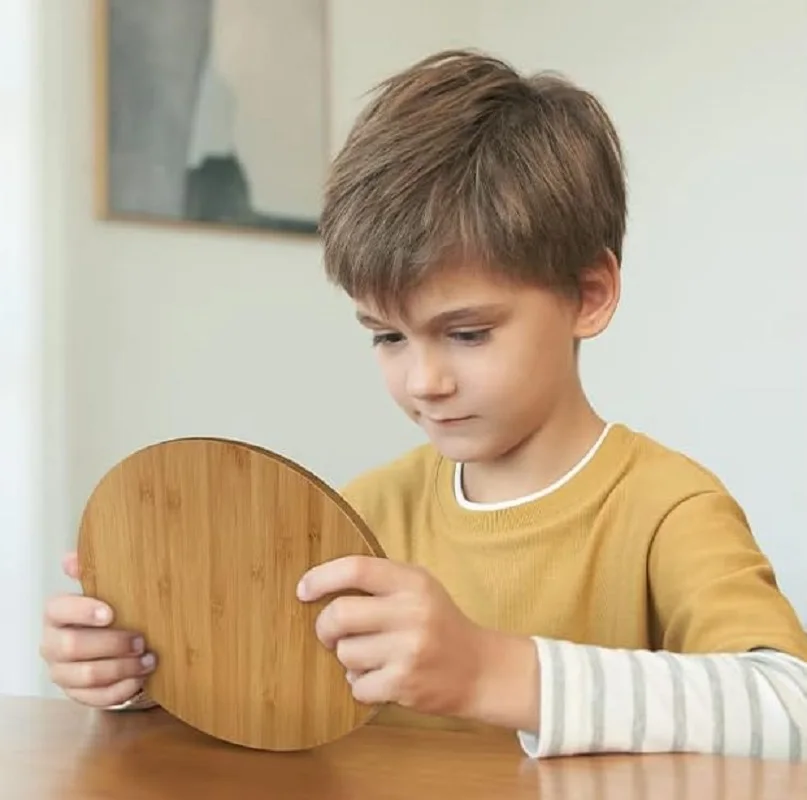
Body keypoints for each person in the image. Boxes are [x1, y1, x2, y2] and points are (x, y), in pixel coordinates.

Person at [40, 49, 807, 760]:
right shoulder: (362, 516)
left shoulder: (667, 508)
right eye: (386, 337)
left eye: (466, 333)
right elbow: (273, 702)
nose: (422, 381)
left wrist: (491, 672)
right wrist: (143, 678)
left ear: (590, 295)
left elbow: (791, 712)